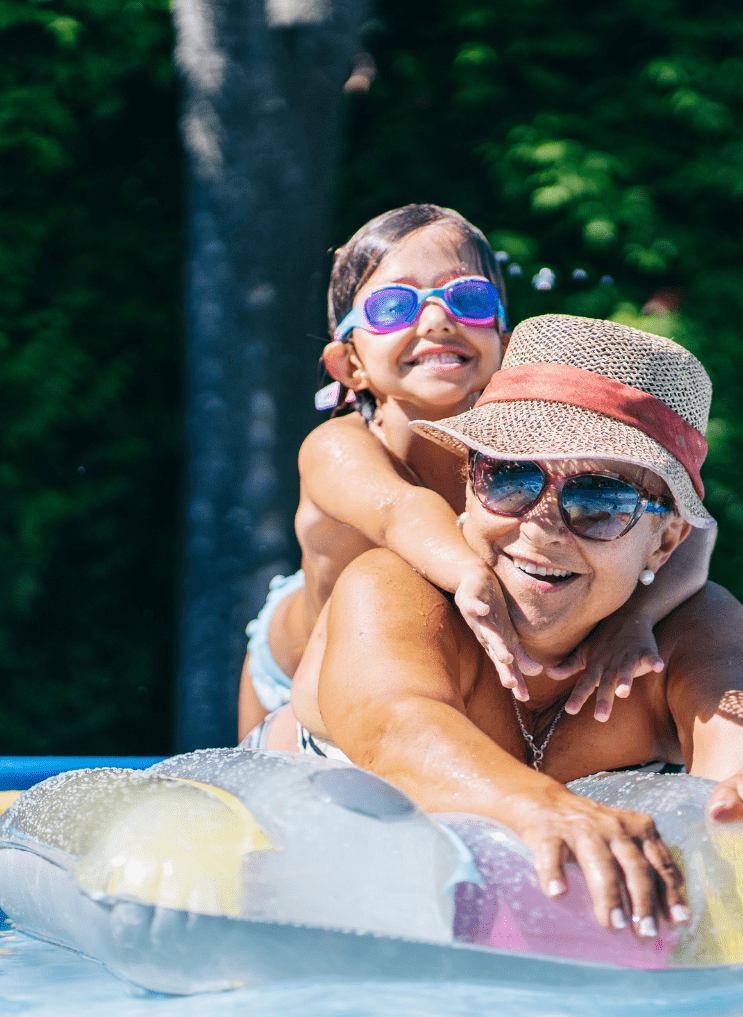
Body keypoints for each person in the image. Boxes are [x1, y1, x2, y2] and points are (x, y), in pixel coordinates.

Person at [288, 314, 743, 933]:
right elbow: (395, 729)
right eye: (510, 477)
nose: (540, 526)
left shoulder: (685, 634)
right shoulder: (396, 587)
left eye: (599, 499)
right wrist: (543, 807)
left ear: (664, 542)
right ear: (468, 485)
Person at [238, 205, 716, 746]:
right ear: (350, 365)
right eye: (393, 306)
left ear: (506, 346)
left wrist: (639, 619)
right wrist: (472, 574)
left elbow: (694, 527)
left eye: (468, 299)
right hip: (297, 667)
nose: (438, 320)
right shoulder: (336, 447)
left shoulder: (530, 447)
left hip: (423, 656)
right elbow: (403, 511)